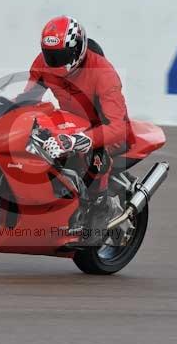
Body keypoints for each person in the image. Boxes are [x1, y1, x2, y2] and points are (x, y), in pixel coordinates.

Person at [26, 15, 135, 242]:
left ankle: (101, 206)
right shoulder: (43, 63)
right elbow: (29, 98)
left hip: (109, 130)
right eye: (50, 55)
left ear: (77, 49)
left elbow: (117, 127)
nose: (54, 62)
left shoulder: (104, 74)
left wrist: (80, 139)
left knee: (93, 153)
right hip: (72, 122)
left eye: (61, 56)